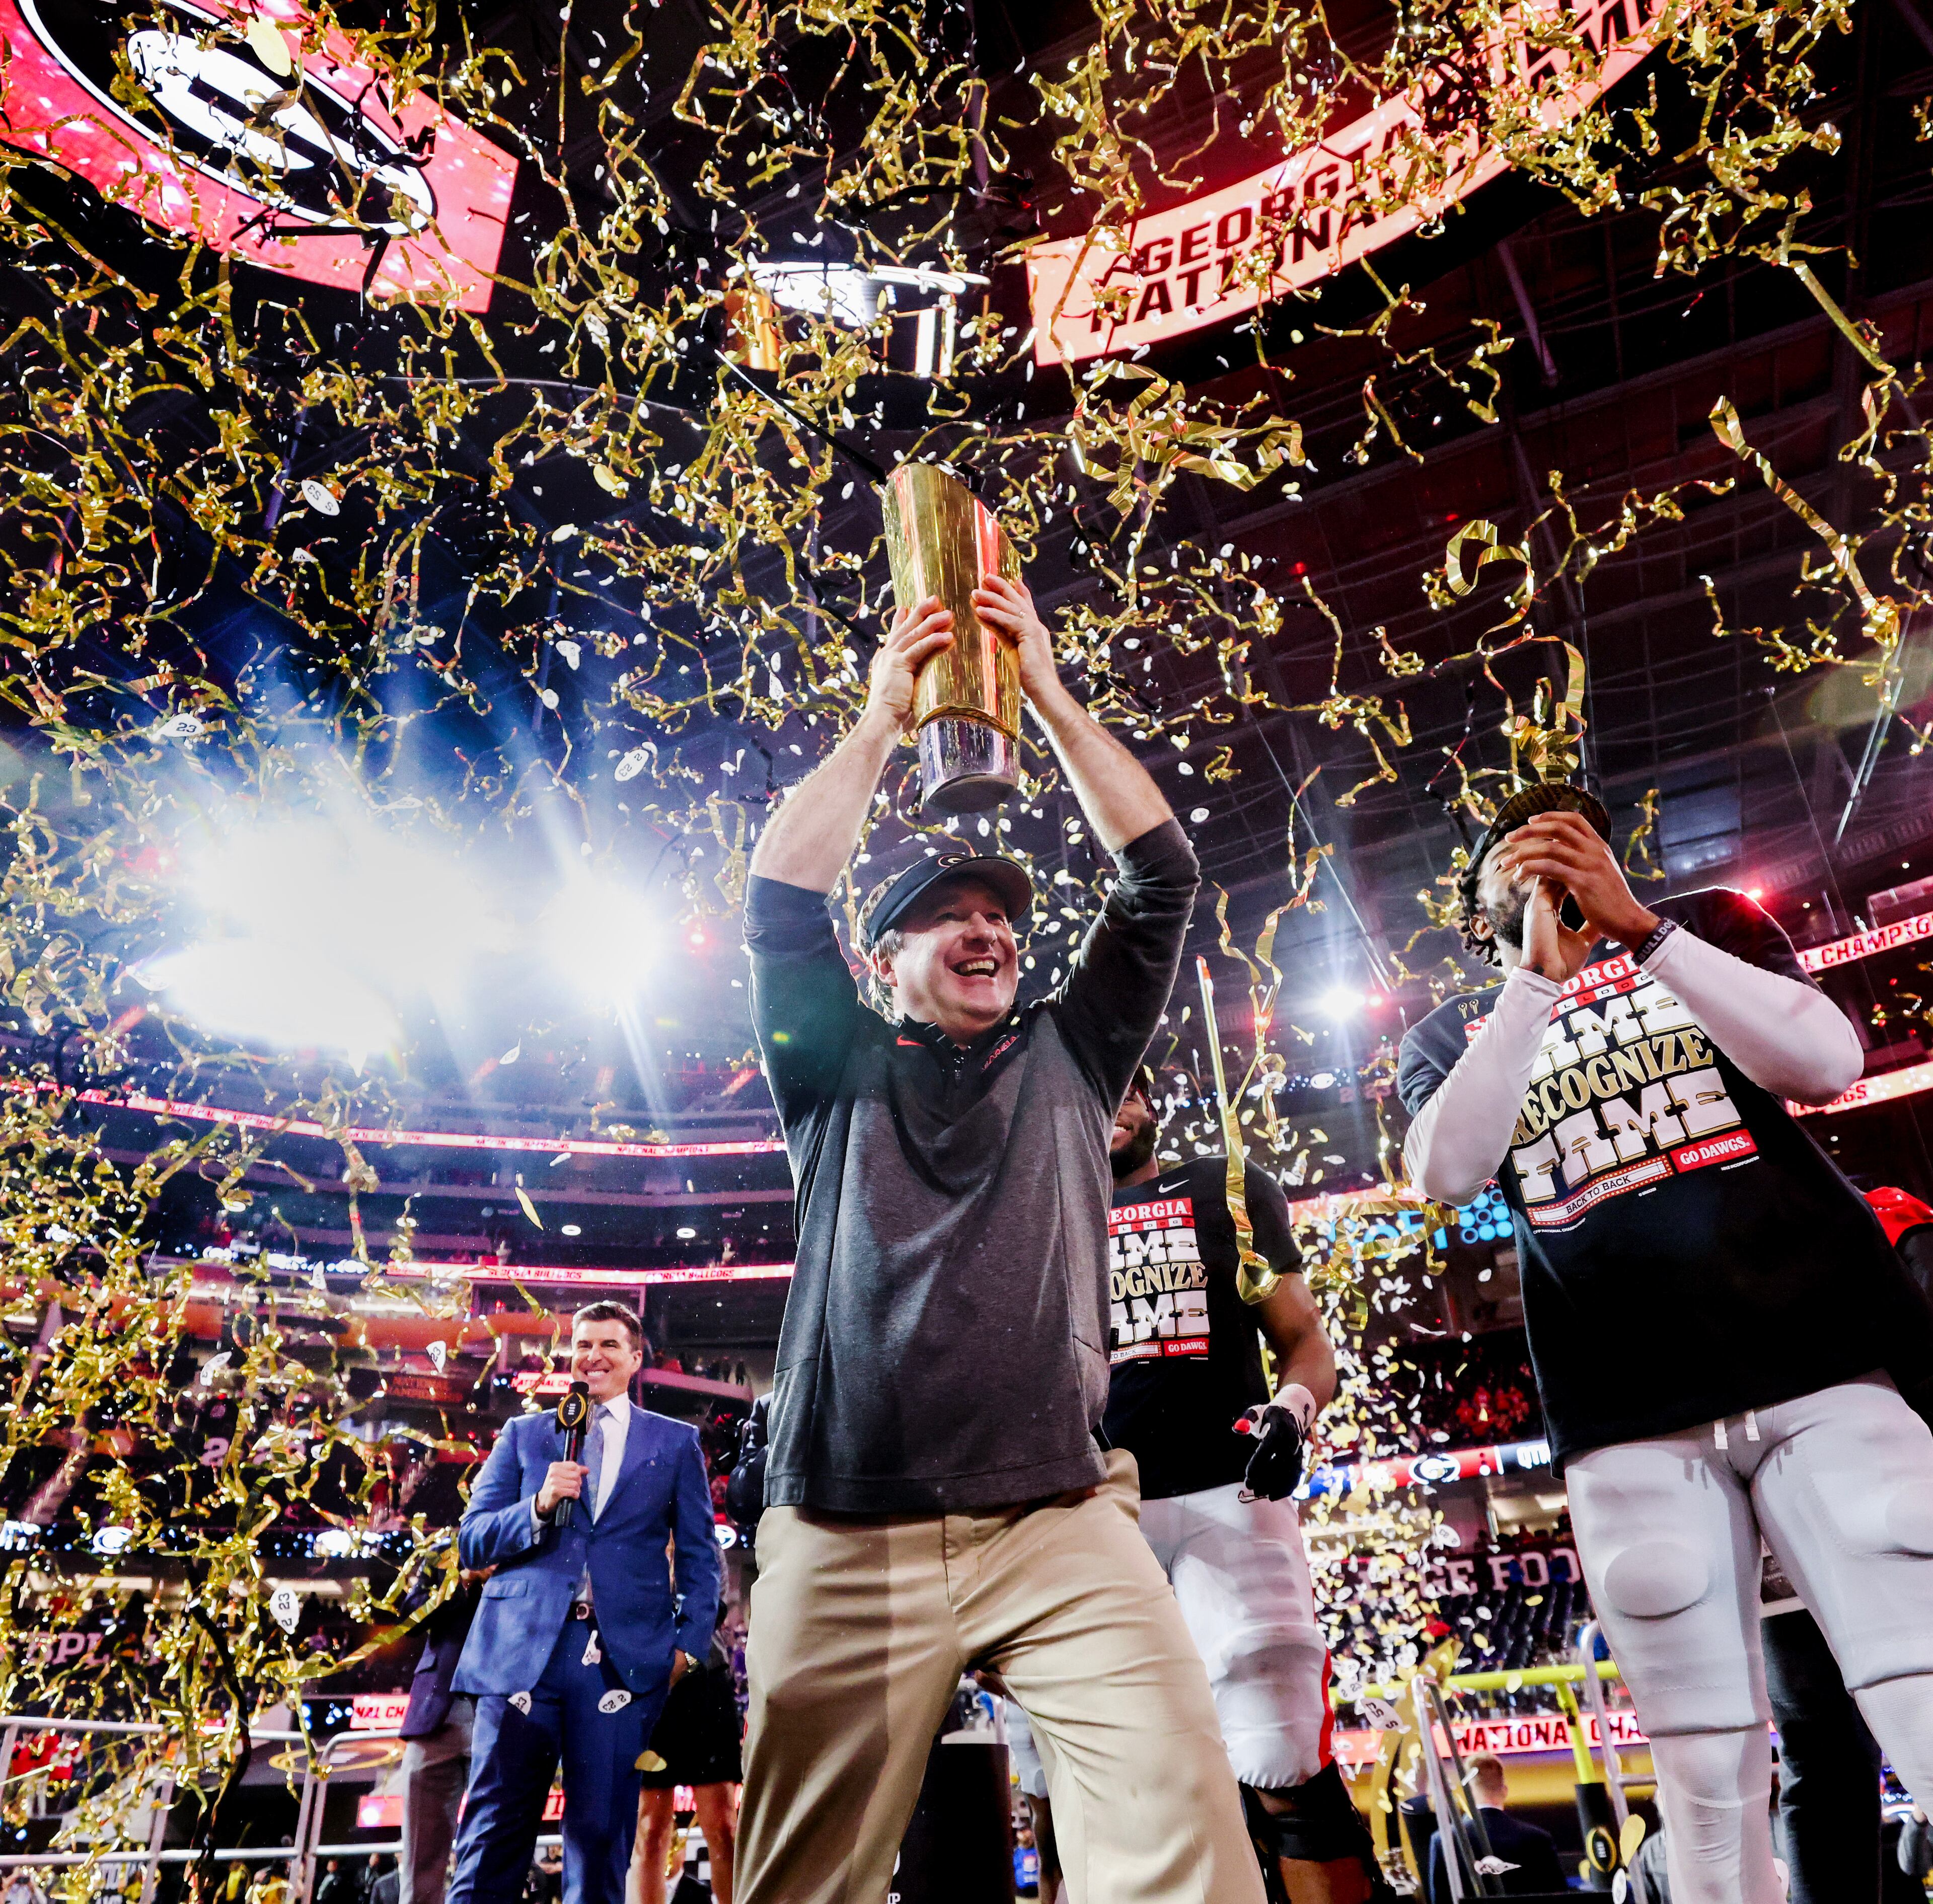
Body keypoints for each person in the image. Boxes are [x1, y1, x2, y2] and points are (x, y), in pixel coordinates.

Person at [735, 574, 1261, 1904]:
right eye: (949, 915)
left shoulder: (1075, 1056)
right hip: (850, 1518)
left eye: (1006, 919)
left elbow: (1162, 877)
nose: (991, 929)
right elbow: (779, 897)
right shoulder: (832, 1067)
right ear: (881, 958)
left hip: (1062, 1510)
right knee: (801, 1880)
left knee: (1185, 1830)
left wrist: (1052, 697)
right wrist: (878, 720)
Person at [1396, 780, 1933, 1904]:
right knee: (1702, 1762)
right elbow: (1444, 1173)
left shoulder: (1710, 931)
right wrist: (1535, 983)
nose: (1546, 856)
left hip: (1821, 1353)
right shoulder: (1452, 1029)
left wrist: (1647, 932)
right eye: (1518, 849)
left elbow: (1828, 1061)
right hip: (1626, 1405)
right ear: (1476, 901)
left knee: (1922, 1680)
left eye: (1571, 836)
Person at [1105, 1077, 1389, 1903]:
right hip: (1090, 1509)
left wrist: (1294, 1409)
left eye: (1131, 1085)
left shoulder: (1223, 1186)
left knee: (1281, 1748)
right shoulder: (1029, 1208)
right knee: (1094, 1784)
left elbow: (1304, 1338)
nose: (1114, 1101)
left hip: (1226, 1490)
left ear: (1152, 1104)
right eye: (1097, 1083)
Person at [445, 1303, 721, 1904]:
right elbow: (471, 1539)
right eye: (582, 1344)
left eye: (609, 1346)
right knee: (493, 1833)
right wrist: (539, 1505)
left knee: (600, 1839)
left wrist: (687, 1651)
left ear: (636, 1358)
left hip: (620, 1662)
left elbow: (703, 1561)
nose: (593, 1356)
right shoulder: (526, 1435)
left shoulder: (675, 1444)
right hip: (523, 1654)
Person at [626, 1633, 741, 1904]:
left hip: (704, 1670)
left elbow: (711, 1598)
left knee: (724, 1827)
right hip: (645, 1675)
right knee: (650, 1829)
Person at [399, 1573, 484, 1904]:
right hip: (436, 1713)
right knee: (420, 1857)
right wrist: (464, 1578)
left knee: (490, 1851)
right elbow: (411, 1616)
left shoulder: (530, 1536)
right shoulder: (443, 1551)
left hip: (504, 1706)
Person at [1424, 1756, 1563, 1901]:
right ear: (1505, 1791)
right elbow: (1558, 1894)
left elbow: (1439, 1899)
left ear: (1468, 1793)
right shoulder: (1538, 1840)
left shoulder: (1443, 1841)